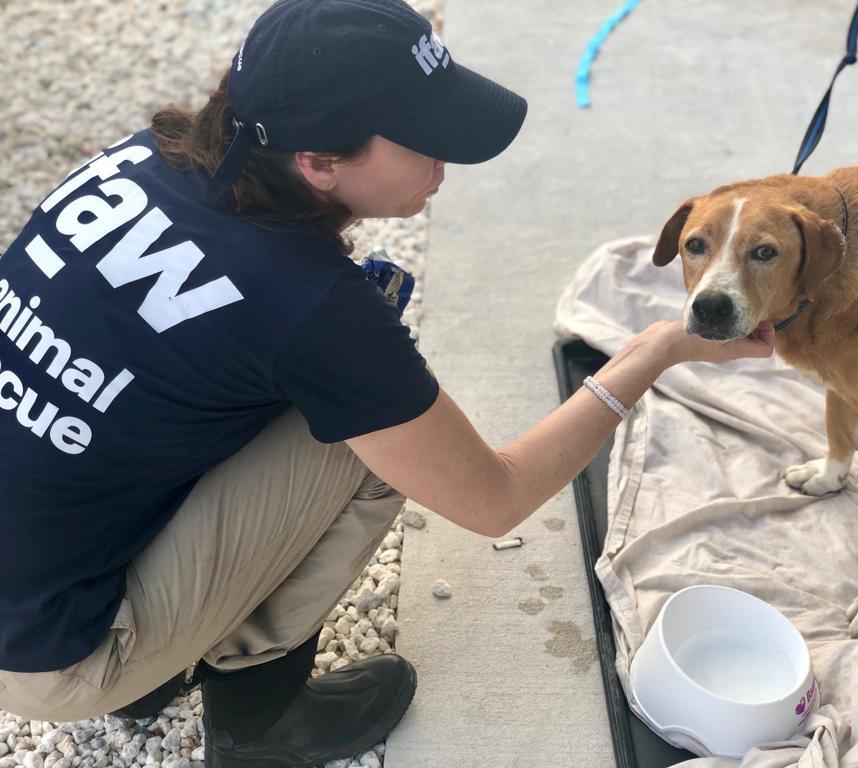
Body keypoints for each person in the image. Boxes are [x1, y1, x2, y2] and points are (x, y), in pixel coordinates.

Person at [0, 0, 775, 765]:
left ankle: (161, 659)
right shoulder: (311, 305)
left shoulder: (142, 160)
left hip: (32, 574)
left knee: (268, 394)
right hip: (50, 657)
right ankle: (258, 722)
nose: (445, 167)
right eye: (427, 143)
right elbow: (490, 495)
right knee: (368, 441)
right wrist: (656, 349)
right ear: (319, 161)